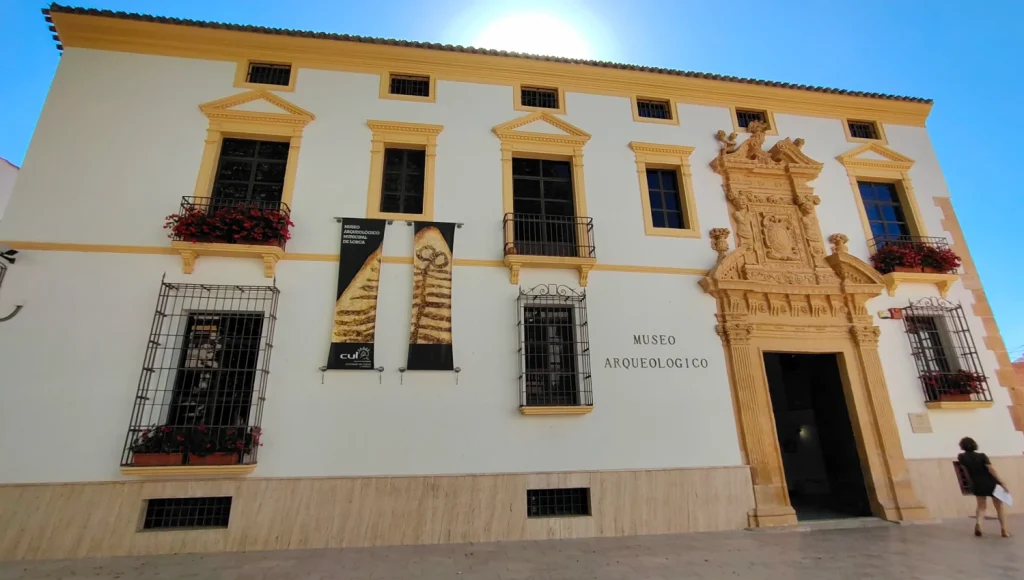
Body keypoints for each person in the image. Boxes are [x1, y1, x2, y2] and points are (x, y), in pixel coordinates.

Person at [958, 437, 1011, 538]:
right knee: (999, 507)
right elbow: (991, 470)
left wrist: (971, 482)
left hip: (977, 483)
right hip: (990, 482)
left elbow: (965, 471)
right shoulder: (982, 456)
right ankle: (1004, 530)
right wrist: (1002, 482)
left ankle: (979, 524)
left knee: (981, 506)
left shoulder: (961, 457)